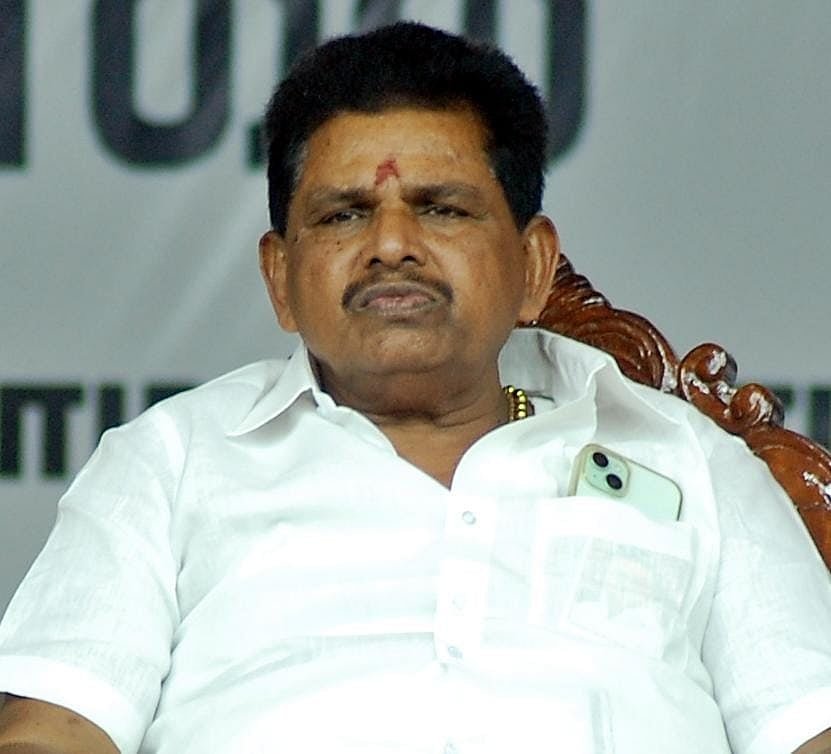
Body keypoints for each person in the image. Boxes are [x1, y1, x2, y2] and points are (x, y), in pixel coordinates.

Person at [0, 21, 829, 754]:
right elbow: (55, 730)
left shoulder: (691, 461)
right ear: (280, 277)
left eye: (441, 208)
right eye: (343, 214)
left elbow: (808, 727)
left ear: (533, 265)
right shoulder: (169, 461)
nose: (391, 244)